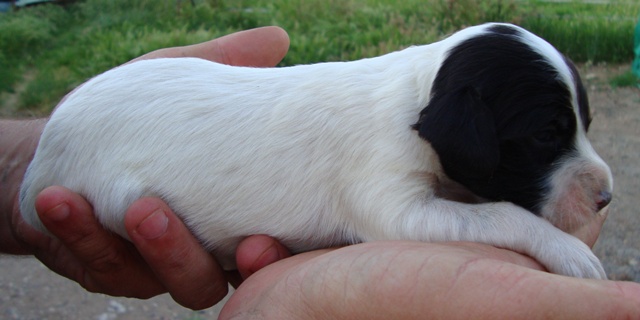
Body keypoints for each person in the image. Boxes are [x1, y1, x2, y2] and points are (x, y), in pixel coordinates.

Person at [1, 27, 638, 318]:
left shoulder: (415, 105)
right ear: (460, 129)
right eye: (551, 136)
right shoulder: (378, 124)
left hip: (93, 129)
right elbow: (398, 219)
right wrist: (525, 227)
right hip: (93, 147)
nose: (596, 177)